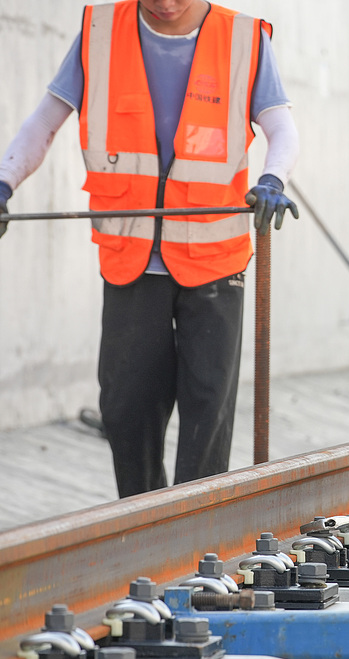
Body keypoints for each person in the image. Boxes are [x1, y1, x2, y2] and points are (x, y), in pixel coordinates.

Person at [0, 0, 299, 497]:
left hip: (214, 265)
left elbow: (281, 127)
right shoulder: (101, 31)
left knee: (207, 413)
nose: (164, 4)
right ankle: (140, 529)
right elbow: (45, 121)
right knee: (126, 411)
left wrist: (273, 177)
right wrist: (5, 180)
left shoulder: (244, 39)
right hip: (131, 261)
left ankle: (194, 545)